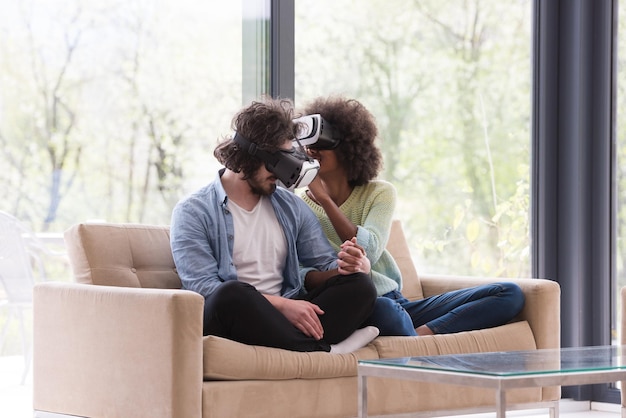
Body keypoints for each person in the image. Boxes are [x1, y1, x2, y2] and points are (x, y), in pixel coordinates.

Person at [297, 95, 525, 336]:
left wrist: (324, 200)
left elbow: (370, 250)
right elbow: (300, 275)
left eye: (322, 142)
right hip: (360, 307)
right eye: (307, 143)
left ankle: (421, 336)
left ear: (346, 146)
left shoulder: (380, 193)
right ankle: (414, 342)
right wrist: (340, 274)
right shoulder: (299, 207)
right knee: (384, 310)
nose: (312, 149)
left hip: (397, 302)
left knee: (509, 293)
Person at [170, 96, 380, 354]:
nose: (281, 174)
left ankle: (304, 345)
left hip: (287, 316)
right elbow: (203, 289)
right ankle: (324, 349)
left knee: (360, 288)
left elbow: (325, 263)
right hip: (236, 316)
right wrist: (281, 306)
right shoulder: (193, 211)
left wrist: (353, 267)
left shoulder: (290, 207)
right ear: (249, 154)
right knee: (230, 294)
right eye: (276, 162)